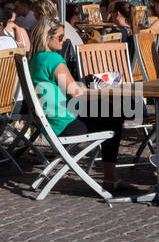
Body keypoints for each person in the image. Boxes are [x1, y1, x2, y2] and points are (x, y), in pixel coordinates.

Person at [26, 19, 135, 194]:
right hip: (64, 124)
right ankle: (110, 177)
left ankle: (110, 176)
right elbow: (75, 92)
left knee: (108, 112)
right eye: (60, 37)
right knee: (114, 117)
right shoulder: (53, 59)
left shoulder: (35, 59)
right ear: (47, 37)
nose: (64, 40)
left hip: (50, 123)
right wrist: (98, 87)